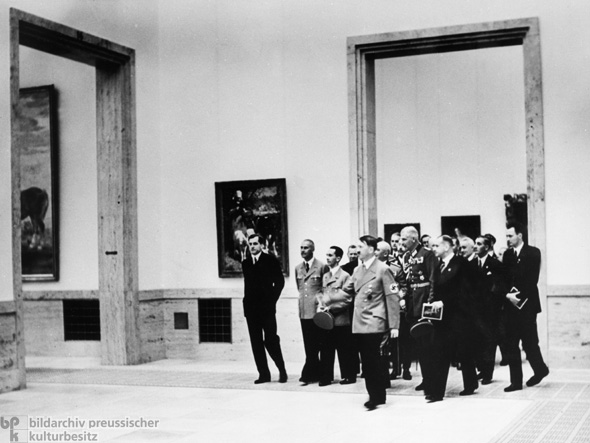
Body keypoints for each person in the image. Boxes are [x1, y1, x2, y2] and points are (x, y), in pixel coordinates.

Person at [341, 235, 400, 410]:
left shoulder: (383, 269)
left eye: (361, 246)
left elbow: (392, 297)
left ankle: (375, 396)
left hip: (375, 321)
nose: (357, 250)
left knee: (373, 361)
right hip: (360, 322)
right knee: (367, 362)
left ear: (371, 250)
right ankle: (377, 395)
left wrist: (394, 325)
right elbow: (347, 292)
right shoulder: (358, 270)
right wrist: (327, 299)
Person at [429, 235, 480, 402]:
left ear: (446, 247)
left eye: (436, 246)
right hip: (442, 318)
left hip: (460, 316)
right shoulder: (439, 265)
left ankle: (470, 383)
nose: (434, 249)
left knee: (464, 352)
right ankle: (437, 392)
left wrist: (444, 302)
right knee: (440, 352)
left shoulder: (462, 264)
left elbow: (466, 291)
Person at [502, 222, 549, 392]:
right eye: (507, 236)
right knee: (511, 343)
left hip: (527, 304)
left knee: (529, 342)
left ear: (520, 235)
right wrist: (508, 295)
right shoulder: (507, 254)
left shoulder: (533, 252)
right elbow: (505, 278)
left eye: (510, 236)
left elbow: (531, 279)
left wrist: (519, 298)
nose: (508, 239)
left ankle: (540, 369)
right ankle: (516, 382)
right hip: (511, 304)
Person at [242, 233, 288, 384]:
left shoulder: (270, 260)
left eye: (255, 243)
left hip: (266, 309)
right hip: (251, 310)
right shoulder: (246, 263)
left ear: (261, 245)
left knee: (271, 340)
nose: (252, 247)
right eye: (250, 244)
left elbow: (280, 282)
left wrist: (271, 301)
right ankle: (263, 374)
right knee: (256, 343)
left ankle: (282, 369)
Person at [399, 226, 437, 391]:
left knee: (428, 344)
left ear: (414, 239)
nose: (401, 242)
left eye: (404, 239)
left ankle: (432, 379)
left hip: (424, 303)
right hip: (412, 305)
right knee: (419, 344)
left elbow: (433, 279)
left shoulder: (427, 254)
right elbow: (407, 282)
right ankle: (426, 378)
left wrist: (430, 303)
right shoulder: (407, 256)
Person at [317, 246, 358, 385]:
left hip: (340, 319)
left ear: (338, 258)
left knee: (344, 349)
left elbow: (347, 299)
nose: (327, 258)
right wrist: (320, 305)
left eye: (330, 255)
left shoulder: (345, 276)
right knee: (326, 348)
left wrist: (330, 308)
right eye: (327, 255)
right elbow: (323, 294)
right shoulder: (326, 276)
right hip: (327, 319)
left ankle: (348, 376)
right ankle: (326, 376)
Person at [473, 235, 506, 384]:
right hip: (476, 309)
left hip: (490, 310)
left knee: (489, 341)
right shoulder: (473, 264)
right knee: (478, 340)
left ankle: (487, 373)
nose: (475, 246)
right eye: (475, 243)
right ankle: (481, 369)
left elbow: (499, 286)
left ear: (486, 247)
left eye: (479, 244)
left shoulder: (495, 264)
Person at [295, 239, 329, 385]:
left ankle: (313, 374)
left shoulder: (321, 266)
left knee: (319, 344)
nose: (303, 250)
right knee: (309, 345)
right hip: (304, 311)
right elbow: (300, 288)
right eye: (301, 248)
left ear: (312, 249)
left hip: (317, 311)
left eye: (306, 248)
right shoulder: (298, 268)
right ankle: (312, 373)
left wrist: (321, 305)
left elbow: (325, 288)